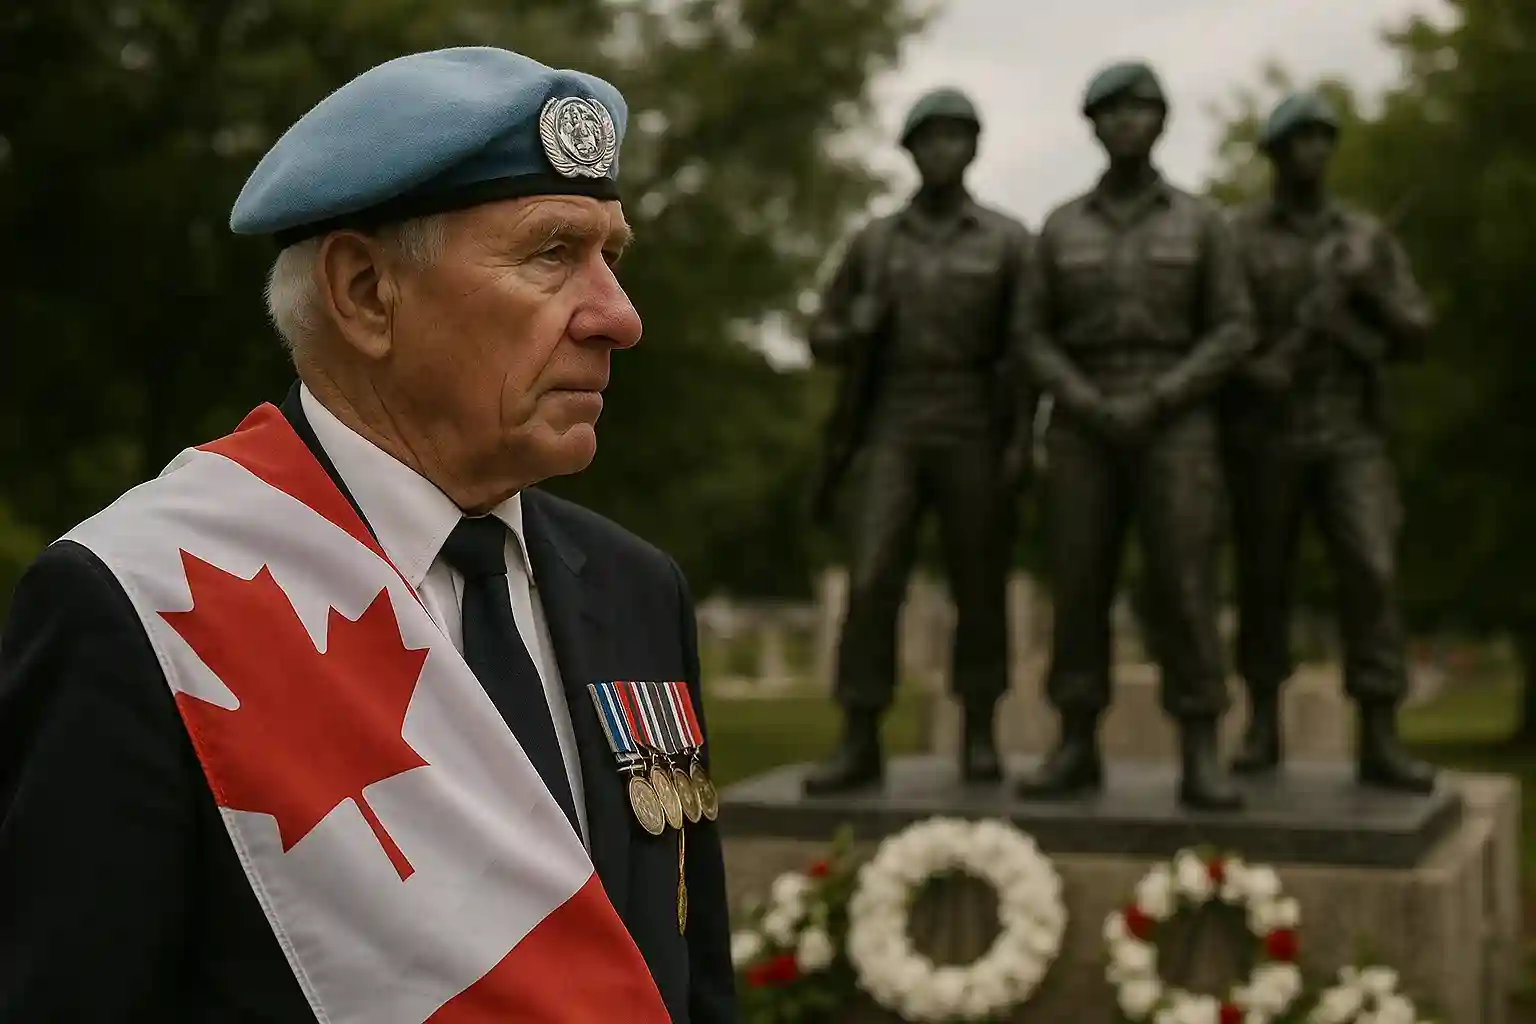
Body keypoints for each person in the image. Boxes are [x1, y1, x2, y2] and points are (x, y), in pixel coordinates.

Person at [0, 47, 736, 1022]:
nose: (619, 316)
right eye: (553, 254)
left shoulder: (638, 587)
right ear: (364, 294)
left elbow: (692, 982)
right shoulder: (143, 601)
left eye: (613, 256)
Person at [1015, 61, 1255, 809]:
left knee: (1185, 585)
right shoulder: (1061, 226)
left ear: (1161, 121)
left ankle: (1201, 748)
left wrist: (1163, 395)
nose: (1126, 122)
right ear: (1091, 125)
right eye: (1111, 111)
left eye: (1140, 109)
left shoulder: (1202, 222)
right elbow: (1030, 333)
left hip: (1176, 423)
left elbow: (1234, 325)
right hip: (1084, 427)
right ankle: (1077, 741)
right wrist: (1083, 397)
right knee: (1081, 585)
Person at [802, 88, 1033, 794]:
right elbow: (822, 334)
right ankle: (860, 734)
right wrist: (857, 325)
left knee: (980, 583)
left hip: (973, 422)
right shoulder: (875, 243)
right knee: (873, 580)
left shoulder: (1006, 241)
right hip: (891, 424)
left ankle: (982, 733)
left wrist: (1023, 442)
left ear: (974, 147)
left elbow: (1026, 354)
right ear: (909, 151)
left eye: (956, 137)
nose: (942, 151)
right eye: (929, 138)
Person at [1222, 91, 1437, 791]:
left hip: (1350, 432)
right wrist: (1260, 369)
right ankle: (1260, 722)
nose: (1313, 153)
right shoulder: (1240, 238)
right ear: (1277, 154)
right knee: (1263, 580)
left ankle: (1380, 732)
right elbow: (1219, 332)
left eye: (1322, 140)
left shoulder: (1366, 238)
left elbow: (1416, 334)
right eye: (1300, 141)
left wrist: (1368, 292)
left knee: (1371, 572)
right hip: (1268, 434)